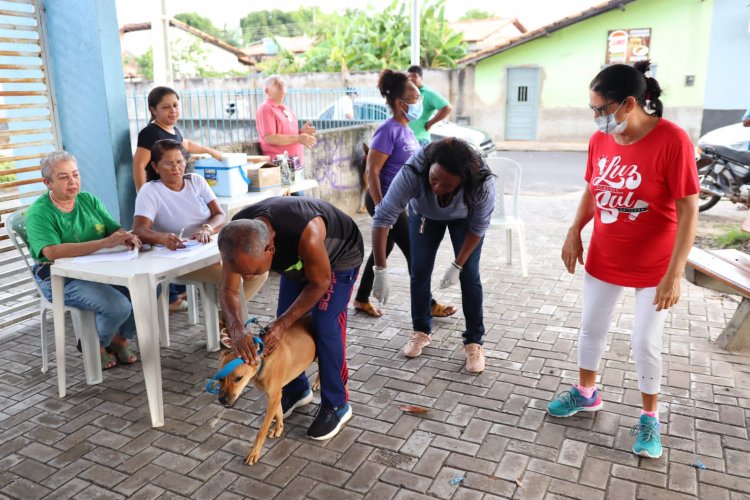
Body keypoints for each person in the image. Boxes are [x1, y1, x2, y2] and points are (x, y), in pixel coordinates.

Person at [546, 60, 699, 460]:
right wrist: (573, 231)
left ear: (629, 103)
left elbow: (688, 210)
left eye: (601, 109)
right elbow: (593, 190)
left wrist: (675, 274)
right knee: (591, 328)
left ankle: (650, 417)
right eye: (593, 109)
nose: (596, 117)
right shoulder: (601, 141)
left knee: (644, 341)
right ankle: (586, 393)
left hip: (654, 264)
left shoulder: (673, 140)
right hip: (606, 253)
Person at [218, 197, 364, 441]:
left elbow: (320, 282)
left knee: (325, 325)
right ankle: (296, 390)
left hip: (339, 257)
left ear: (270, 250)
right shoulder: (238, 235)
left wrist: (283, 324)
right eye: (241, 272)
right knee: (282, 321)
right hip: (297, 258)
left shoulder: (306, 232)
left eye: (252, 272)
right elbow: (227, 289)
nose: (246, 277)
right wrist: (236, 330)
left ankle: (337, 404)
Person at [371, 138, 495, 373]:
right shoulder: (414, 170)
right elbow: (383, 217)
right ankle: (421, 331)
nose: (437, 188)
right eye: (434, 179)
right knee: (419, 270)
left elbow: (478, 228)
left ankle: (474, 341)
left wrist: (457, 265)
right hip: (425, 217)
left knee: (469, 275)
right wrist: (380, 270)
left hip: (464, 220)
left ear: (463, 182)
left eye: (447, 185)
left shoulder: (481, 183)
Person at [131, 140, 268, 348]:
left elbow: (220, 216)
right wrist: (162, 237)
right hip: (178, 259)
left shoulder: (196, 181)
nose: (176, 168)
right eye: (168, 164)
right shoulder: (150, 191)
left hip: (211, 249)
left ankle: (224, 317)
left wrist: (207, 228)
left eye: (180, 161)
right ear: (155, 166)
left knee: (258, 270)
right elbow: (140, 230)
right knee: (233, 277)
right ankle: (231, 324)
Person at [352, 69, 455, 319]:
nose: (420, 102)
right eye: (416, 97)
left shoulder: (406, 128)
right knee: (415, 254)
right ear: (401, 103)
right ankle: (428, 304)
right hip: (387, 202)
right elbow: (371, 172)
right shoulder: (388, 130)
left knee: (382, 250)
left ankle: (361, 298)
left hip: (398, 203)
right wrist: (382, 209)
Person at [26, 151, 142, 370]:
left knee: (147, 289)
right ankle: (94, 344)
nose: (73, 182)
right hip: (58, 277)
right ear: (47, 183)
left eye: (76, 175)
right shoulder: (39, 212)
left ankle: (118, 340)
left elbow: (112, 228)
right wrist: (104, 243)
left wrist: (125, 237)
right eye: (63, 177)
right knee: (118, 306)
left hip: (96, 269)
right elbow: (51, 252)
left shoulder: (88, 200)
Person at [132, 86, 223, 312]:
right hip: (158, 193)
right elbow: (139, 164)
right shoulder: (150, 133)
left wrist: (211, 151)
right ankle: (172, 296)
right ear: (153, 110)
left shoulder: (174, 133)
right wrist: (144, 192)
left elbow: (186, 145)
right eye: (165, 106)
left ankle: (217, 311)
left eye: (175, 105)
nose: (172, 110)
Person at [256, 75, 317, 165]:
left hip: (295, 163)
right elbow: (270, 138)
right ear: (267, 91)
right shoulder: (265, 108)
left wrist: (301, 132)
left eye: (282, 82)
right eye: (276, 82)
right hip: (279, 165)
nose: (281, 83)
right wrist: (299, 138)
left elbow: (289, 136)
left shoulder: (286, 109)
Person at [406, 65, 453, 147]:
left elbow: (447, 108)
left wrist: (430, 123)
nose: (410, 79)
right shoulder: (405, 93)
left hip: (420, 140)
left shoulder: (428, 93)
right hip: (406, 140)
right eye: (408, 76)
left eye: (414, 76)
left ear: (421, 78)